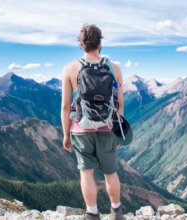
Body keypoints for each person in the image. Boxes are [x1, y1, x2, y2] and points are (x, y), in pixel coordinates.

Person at [61, 24, 124, 220]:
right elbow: (120, 103)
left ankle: (92, 214)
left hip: (80, 129)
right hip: (107, 128)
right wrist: (117, 131)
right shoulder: (114, 69)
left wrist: (66, 134)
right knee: (110, 173)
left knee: (86, 173)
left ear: (81, 43)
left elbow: (65, 106)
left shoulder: (70, 69)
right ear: (100, 42)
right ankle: (117, 213)